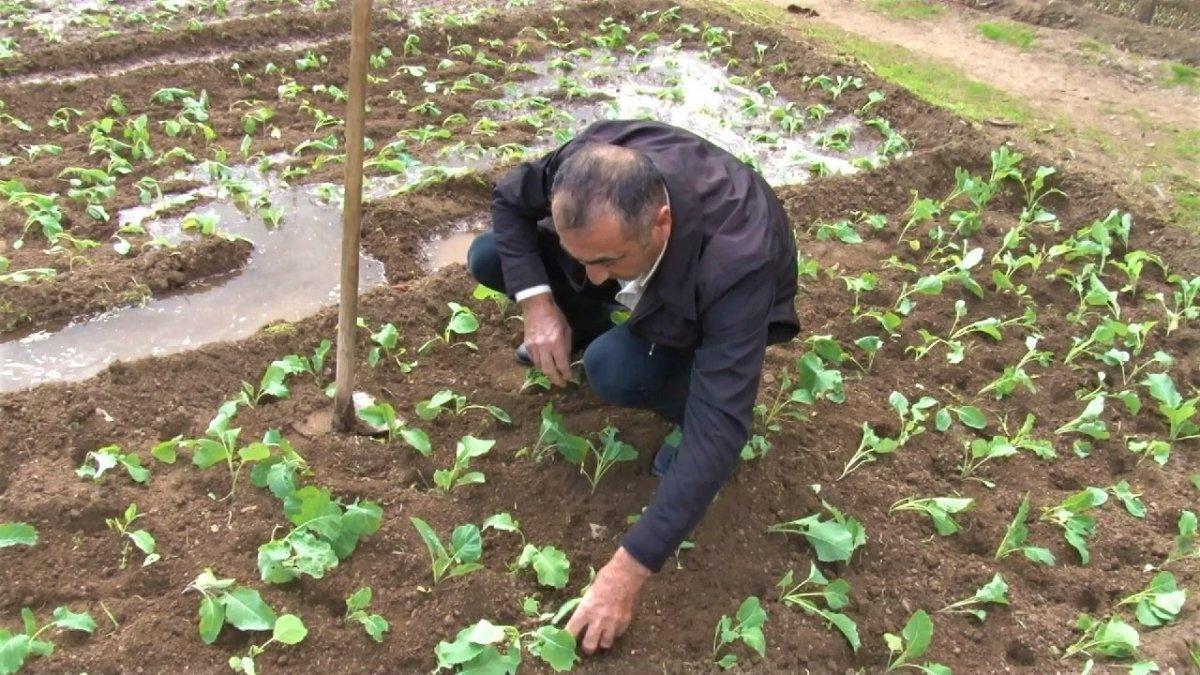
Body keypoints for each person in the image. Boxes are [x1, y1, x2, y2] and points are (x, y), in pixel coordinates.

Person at [466, 119, 799, 655]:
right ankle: (591, 325)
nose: (594, 278)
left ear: (661, 222)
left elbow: (721, 430)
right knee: (490, 255)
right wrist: (539, 303)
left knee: (616, 371)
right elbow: (508, 198)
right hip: (649, 259)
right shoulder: (585, 165)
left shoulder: (738, 262)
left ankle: (677, 394)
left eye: (606, 261)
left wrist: (625, 573)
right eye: (583, 260)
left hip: (705, 304)